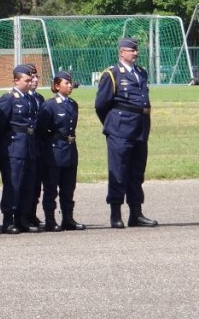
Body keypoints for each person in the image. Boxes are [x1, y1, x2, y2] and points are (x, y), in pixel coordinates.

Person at [95, 37, 157, 228]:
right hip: (120, 129)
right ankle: (115, 214)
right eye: (131, 50)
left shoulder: (141, 73)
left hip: (140, 128)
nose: (135, 53)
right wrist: (113, 125)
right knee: (118, 171)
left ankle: (136, 214)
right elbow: (100, 105)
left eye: (136, 50)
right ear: (121, 52)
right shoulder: (112, 74)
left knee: (137, 172)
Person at [0, 64, 41, 234]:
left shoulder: (30, 99)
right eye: (26, 80)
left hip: (29, 146)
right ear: (16, 81)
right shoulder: (8, 99)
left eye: (31, 80)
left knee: (28, 185)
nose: (30, 83)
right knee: (13, 184)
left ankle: (22, 218)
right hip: (14, 147)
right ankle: (8, 220)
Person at [35, 71, 85, 231]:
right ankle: (50, 220)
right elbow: (41, 129)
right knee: (51, 187)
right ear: (57, 86)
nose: (70, 86)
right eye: (66, 83)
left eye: (71, 83)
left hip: (70, 150)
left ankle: (68, 218)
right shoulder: (50, 105)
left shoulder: (73, 104)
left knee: (68, 187)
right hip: (54, 151)